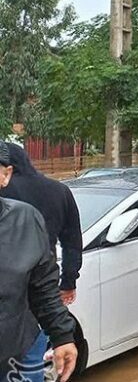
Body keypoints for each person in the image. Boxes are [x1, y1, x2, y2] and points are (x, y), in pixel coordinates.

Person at [0, 141, 78, 382]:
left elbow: (42, 286)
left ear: (5, 175)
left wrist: (62, 335)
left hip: (15, 347)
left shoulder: (24, 219)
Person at [0, 143, 82, 305]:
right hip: (45, 280)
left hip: (8, 286)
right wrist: (68, 281)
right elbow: (72, 243)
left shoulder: (4, 192)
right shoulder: (60, 191)